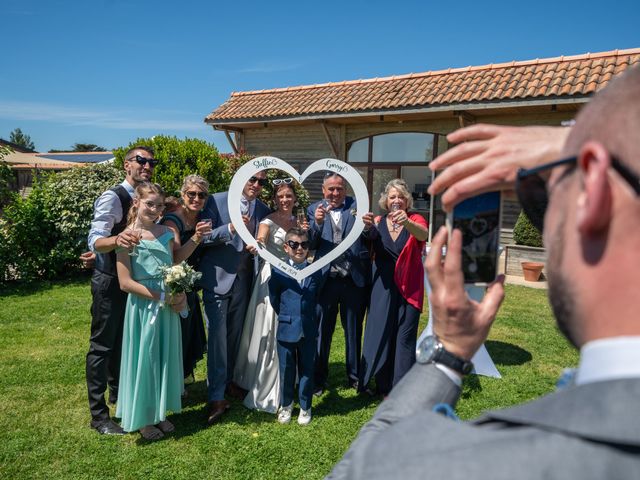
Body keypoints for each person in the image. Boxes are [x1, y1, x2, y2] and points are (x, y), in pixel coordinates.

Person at [328, 65, 640, 478]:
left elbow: (363, 465)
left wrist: (446, 355)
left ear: (593, 192)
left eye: (540, 195)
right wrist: (578, 142)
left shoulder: (487, 462)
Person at [115, 182, 209, 440]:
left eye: (159, 205)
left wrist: (197, 238)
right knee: (145, 358)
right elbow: (125, 282)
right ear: (137, 202)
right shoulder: (126, 237)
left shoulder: (165, 232)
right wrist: (160, 296)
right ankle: (144, 420)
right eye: (149, 204)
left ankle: (159, 413)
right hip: (145, 305)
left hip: (168, 303)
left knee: (164, 356)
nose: (155, 210)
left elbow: (176, 259)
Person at [85, 146, 156, 435]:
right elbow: (95, 240)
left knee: (125, 341)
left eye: (151, 162)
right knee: (103, 345)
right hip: (109, 282)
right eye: (141, 161)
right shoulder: (113, 197)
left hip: (134, 281)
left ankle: (120, 397)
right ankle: (99, 416)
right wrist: (117, 239)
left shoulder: (147, 198)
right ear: (127, 165)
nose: (147, 166)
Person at [199, 170, 271, 425]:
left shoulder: (262, 208)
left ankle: (228, 382)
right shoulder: (217, 201)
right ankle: (215, 395)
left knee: (234, 337)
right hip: (217, 279)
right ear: (240, 179)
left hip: (244, 280)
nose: (256, 185)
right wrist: (229, 228)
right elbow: (201, 237)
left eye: (261, 181)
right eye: (252, 179)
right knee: (217, 338)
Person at [233, 179, 308, 413]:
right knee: (270, 326)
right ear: (274, 200)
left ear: (295, 199)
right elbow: (261, 239)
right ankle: (267, 379)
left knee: (293, 325)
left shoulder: (300, 222)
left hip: (295, 279)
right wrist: (258, 244)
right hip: (271, 278)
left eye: (289, 196)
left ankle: (291, 378)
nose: (285, 200)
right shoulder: (267, 221)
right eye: (281, 196)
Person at [359, 179, 428, 396]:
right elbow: (368, 241)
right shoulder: (379, 220)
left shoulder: (415, 219)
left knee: (404, 337)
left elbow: (423, 235)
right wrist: (367, 227)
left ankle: (401, 390)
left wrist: (406, 222)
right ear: (386, 201)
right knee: (383, 333)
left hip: (409, 286)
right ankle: (382, 385)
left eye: (400, 196)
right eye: (392, 197)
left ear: (407, 200)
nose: (396, 200)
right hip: (383, 287)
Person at [308, 173, 371, 394]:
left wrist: (367, 228)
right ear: (323, 190)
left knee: (353, 331)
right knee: (321, 331)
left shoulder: (358, 205)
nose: (335, 193)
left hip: (353, 279)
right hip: (326, 281)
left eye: (340, 189)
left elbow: (369, 236)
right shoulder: (313, 208)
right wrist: (316, 223)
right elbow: (310, 244)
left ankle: (355, 377)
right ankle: (318, 378)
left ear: (345, 190)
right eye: (331, 189)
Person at [269, 228, 325, 425]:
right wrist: (286, 316)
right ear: (286, 247)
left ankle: (305, 406)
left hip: (308, 327)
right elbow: (275, 298)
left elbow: (317, 296)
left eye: (304, 244)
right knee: (286, 369)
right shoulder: (277, 270)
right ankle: (286, 405)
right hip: (286, 327)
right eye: (294, 244)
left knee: (307, 370)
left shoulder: (316, 271)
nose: (299, 248)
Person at [159, 175, 209, 385]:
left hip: (190, 284)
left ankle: (183, 376)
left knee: (190, 333)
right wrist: (197, 238)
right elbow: (175, 257)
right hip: (174, 284)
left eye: (201, 195)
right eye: (191, 194)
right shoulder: (173, 220)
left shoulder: (201, 217)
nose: (196, 198)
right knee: (178, 335)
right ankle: (173, 380)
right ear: (183, 195)